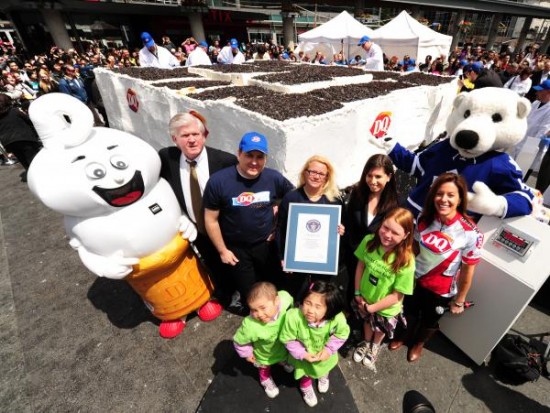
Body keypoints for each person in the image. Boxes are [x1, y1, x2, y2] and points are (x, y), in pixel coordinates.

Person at [389, 173, 483, 362]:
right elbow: (414, 247)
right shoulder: (425, 217)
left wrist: (459, 300)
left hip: (441, 288)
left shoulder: (472, 233)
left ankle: (419, 343)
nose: (444, 199)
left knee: (430, 320)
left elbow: (468, 269)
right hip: (415, 279)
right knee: (408, 310)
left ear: (460, 199)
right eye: (440, 194)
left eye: (451, 195)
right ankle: (402, 336)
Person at [203, 132, 294, 313]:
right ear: (239, 154)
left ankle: (277, 319)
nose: (254, 161)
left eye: (259, 157)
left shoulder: (273, 178)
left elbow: (294, 198)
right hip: (236, 249)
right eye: (249, 155)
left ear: (265, 158)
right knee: (250, 294)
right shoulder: (218, 181)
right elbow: (210, 219)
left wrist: (278, 220)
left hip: (266, 244)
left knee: (274, 286)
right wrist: (222, 251)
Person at [159, 111, 237, 302]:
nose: (192, 140)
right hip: (196, 228)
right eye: (185, 136)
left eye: (196, 134)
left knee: (235, 265)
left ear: (205, 136)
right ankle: (224, 294)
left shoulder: (225, 162)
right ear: (175, 139)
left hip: (225, 229)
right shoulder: (167, 158)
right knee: (211, 263)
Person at [352, 207, 415, 371]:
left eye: (395, 233)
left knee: (379, 330)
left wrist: (372, 308)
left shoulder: (406, 261)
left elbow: (396, 296)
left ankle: (375, 347)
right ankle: (366, 342)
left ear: (406, 235)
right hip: (365, 298)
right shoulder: (369, 241)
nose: (387, 235)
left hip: (385, 308)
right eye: (385, 228)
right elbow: (360, 265)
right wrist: (358, 292)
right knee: (367, 322)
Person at [276, 155, 346, 300]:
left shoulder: (334, 201)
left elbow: (344, 230)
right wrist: (283, 256)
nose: (315, 176)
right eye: (312, 171)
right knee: (297, 297)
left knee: (319, 297)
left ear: (327, 177)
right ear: (305, 173)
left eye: (321, 173)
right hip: (296, 262)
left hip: (323, 262)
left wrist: (342, 230)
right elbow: (281, 229)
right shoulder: (291, 198)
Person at [279, 280, 350, 407]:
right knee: (305, 374)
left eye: (318, 307)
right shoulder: (294, 317)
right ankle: (305, 387)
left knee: (324, 368)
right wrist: (303, 354)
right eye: (308, 303)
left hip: (324, 357)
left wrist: (328, 350)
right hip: (304, 358)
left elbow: (341, 334)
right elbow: (287, 339)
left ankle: (323, 375)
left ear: (330, 308)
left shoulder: (337, 319)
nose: (310, 310)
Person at [345, 155, 399, 287]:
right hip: (354, 258)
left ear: (389, 177)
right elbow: (349, 224)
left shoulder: (396, 204)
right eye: (369, 175)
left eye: (378, 176)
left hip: (378, 263)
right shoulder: (357, 195)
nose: (373, 181)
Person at [233, 282, 294, 399]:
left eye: (262, 308)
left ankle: (283, 362)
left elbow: (289, 299)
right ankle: (265, 379)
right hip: (263, 355)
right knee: (264, 367)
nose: (259, 314)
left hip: (283, 349)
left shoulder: (284, 299)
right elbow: (239, 341)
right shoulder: (250, 326)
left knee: (285, 357)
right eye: (254, 310)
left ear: (276, 301)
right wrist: (247, 354)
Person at [0, 94, 42, 180]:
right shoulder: (15, 111)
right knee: (33, 159)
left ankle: (32, 178)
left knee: (22, 159)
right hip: (24, 138)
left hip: (9, 142)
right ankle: (40, 177)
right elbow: (29, 121)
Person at [511, 79, 550, 160]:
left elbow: (542, 132)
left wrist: (526, 153)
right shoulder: (536, 103)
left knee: (521, 169)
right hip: (519, 143)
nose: (536, 93)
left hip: (530, 150)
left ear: (548, 93)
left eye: (540, 91)